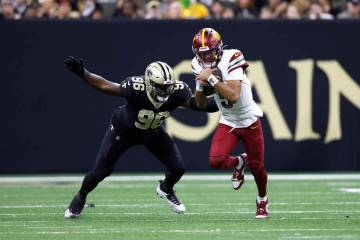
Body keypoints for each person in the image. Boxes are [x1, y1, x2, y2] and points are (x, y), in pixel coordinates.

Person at [63, 56, 217, 218]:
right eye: (160, 87)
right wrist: (83, 73)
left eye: (168, 87)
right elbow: (105, 85)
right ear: (149, 83)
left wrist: (226, 101)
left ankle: (165, 188)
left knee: (177, 168)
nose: (165, 91)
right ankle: (80, 196)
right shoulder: (135, 87)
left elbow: (199, 105)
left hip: (152, 132)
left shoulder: (178, 91)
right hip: (122, 132)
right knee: (101, 171)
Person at [191, 28, 269, 219]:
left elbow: (233, 96)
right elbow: (200, 103)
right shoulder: (196, 64)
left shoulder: (233, 56)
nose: (207, 57)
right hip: (228, 120)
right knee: (215, 161)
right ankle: (241, 161)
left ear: (219, 47)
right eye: (202, 54)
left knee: (258, 167)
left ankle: (262, 201)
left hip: (248, 119)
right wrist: (201, 85)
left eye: (210, 52)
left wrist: (209, 78)